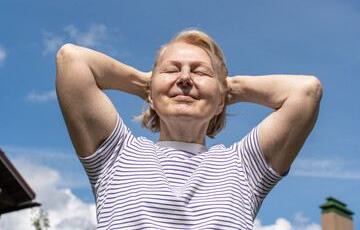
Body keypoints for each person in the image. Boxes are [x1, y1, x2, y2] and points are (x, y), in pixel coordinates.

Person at [56, 30, 322, 229]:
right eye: (172, 70)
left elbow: (306, 91)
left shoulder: (243, 167)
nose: (184, 78)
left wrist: (224, 88)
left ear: (221, 101)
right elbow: (72, 60)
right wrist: (150, 86)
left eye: (200, 73)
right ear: (149, 91)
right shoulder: (115, 155)